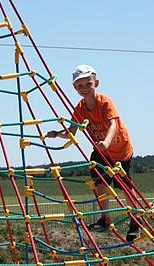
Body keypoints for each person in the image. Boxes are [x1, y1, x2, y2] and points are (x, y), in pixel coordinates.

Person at [46, 64, 140, 241]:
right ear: (75, 88)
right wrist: (57, 134)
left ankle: (135, 221)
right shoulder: (80, 109)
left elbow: (113, 125)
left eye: (88, 84)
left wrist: (106, 142)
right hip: (101, 152)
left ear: (96, 83)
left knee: (124, 187)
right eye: (80, 86)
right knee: (99, 183)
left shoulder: (105, 102)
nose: (84, 89)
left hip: (120, 151)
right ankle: (105, 219)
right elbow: (70, 133)